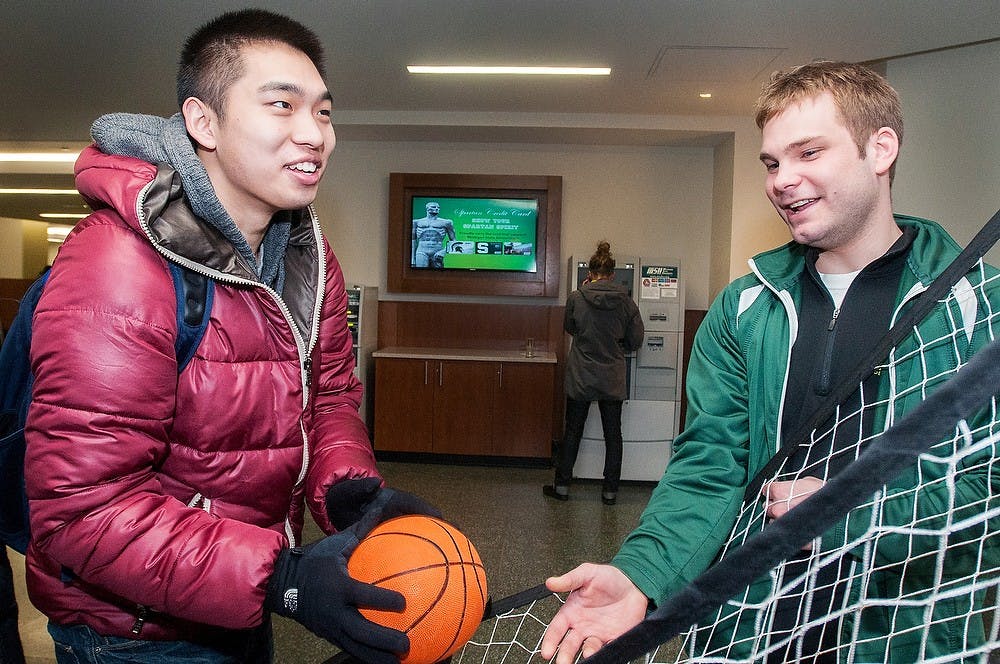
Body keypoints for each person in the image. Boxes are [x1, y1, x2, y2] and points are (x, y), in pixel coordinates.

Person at [540, 61, 1000, 664]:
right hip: (750, 628)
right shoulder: (744, 308)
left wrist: (850, 512)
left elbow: (986, 493)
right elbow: (711, 468)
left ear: (880, 148)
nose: (784, 180)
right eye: (773, 162)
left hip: (906, 633)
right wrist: (642, 575)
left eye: (809, 153)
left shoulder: (978, 307)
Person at [23, 10, 436, 664]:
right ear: (203, 122)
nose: (314, 135)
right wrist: (281, 577)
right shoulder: (119, 264)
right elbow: (80, 511)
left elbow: (326, 399)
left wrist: (347, 490)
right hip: (137, 636)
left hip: (234, 597)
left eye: (324, 113)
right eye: (281, 104)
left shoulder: (308, 256)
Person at [543, 242, 643, 505]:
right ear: (612, 273)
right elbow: (636, 340)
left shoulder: (577, 297)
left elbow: (570, 328)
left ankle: (562, 486)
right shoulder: (626, 301)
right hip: (612, 375)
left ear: (590, 271)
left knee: (573, 430)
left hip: (582, 374)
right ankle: (610, 492)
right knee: (613, 434)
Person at [411, 201, 456, 268]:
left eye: (438, 207)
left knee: (438, 276)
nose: (437, 208)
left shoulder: (446, 222)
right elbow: (413, 240)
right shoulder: (416, 222)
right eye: (433, 207)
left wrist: (443, 252)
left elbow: (454, 240)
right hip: (422, 251)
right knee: (420, 274)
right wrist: (412, 259)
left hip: (437, 251)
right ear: (427, 208)